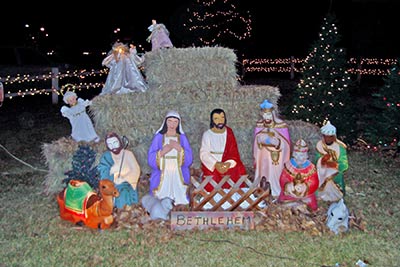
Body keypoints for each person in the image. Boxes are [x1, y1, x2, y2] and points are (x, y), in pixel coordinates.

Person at [147, 111, 193, 206]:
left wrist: (179, 148)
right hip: (164, 170)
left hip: (178, 170)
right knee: (162, 189)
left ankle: (180, 203)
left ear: (178, 123)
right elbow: (151, 156)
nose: (172, 124)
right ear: (165, 122)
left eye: (175, 122)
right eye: (170, 121)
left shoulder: (182, 138)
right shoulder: (159, 137)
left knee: (179, 188)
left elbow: (189, 157)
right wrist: (163, 151)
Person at [200, 108, 247, 192]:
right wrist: (216, 164)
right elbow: (204, 153)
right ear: (212, 120)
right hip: (213, 163)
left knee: (238, 169)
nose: (220, 121)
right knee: (211, 176)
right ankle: (213, 198)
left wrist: (229, 163)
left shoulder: (229, 132)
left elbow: (233, 150)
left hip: (227, 161)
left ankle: (234, 195)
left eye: (222, 118)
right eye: (216, 118)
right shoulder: (207, 134)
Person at [253, 99, 291, 198]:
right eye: (265, 115)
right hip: (263, 154)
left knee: (275, 173)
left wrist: (278, 143)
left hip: (277, 156)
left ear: (273, 115)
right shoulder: (259, 125)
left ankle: (275, 190)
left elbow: (286, 143)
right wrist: (259, 140)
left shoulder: (281, 125)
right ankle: (262, 189)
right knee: (263, 172)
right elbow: (256, 141)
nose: (267, 117)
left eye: (269, 115)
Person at [98, 132, 141, 209]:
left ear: (119, 142)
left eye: (115, 143)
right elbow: (103, 172)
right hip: (112, 186)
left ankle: (126, 210)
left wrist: (124, 179)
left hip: (127, 184)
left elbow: (136, 170)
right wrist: (113, 171)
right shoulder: (106, 156)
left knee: (123, 194)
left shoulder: (128, 154)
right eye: (110, 144)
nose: (113, 146)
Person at [278, 139, 319, 211]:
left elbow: (314, 181)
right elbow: (283, 178)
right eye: (296, 155)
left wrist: (305, 187)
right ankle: (293, 206)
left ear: (306, 156)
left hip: (305, 194)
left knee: (309, 202)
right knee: (283, 200)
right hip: (290, 193)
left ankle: (302, 207)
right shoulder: (288, 165)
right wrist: (288, 186)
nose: (298, 157)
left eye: (301, 155)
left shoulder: (311, 168)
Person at [315, 121, 349, 201]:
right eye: (325, 136)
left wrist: (334, 165)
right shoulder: (320, 145)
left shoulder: (340, 147)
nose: (327, 139)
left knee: (333, 176)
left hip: (335, 169)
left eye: (330, 137)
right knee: (319, 174)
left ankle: (336, 194)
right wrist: (322, 161)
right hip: (322, 168)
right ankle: (320, 194)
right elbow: (317, 159)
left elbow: (344, 164)